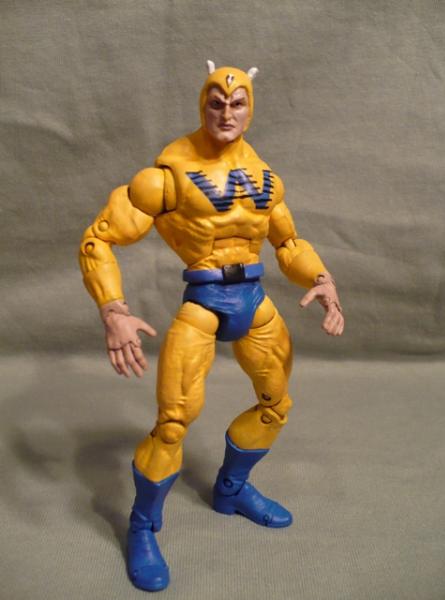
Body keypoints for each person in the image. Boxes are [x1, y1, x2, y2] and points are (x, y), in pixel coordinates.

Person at [79, 61, 344, 592]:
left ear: (250, 107)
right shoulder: (167, 176)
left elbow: (288, 244)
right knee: (173, 423)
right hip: (203, 301)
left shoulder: (265, 177)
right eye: (216, 103)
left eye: (237, 102)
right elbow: (98, 239)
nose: (227, 112)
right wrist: (113, 310)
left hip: (254, 298)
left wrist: (322, 278)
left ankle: (231, 489)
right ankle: (142, 525)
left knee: (275, 405)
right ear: (203, 104)